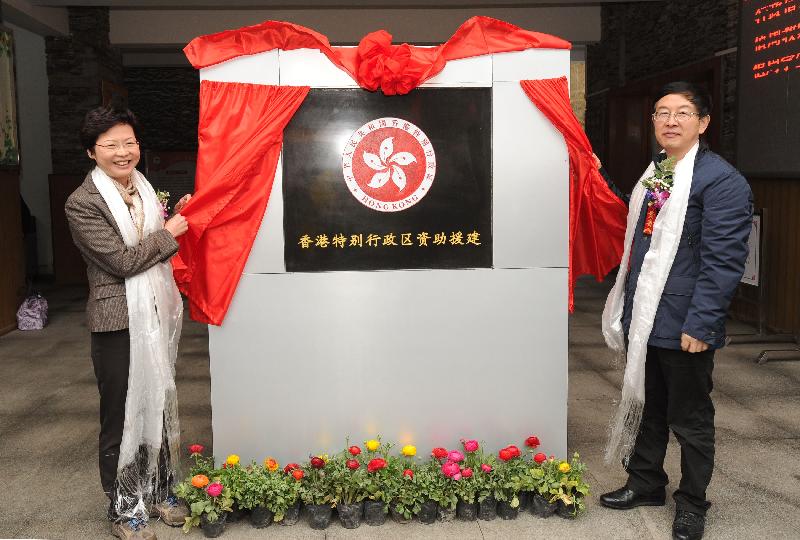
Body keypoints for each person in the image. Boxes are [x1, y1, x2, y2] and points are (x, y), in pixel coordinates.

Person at [599, 82, 752, 540]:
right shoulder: (659, 171)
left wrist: (702, 323)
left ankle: (692, 503)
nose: (670, 121)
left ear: (703, 123)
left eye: (682, 113)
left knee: (690, 419)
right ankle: (646, 483)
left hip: (685, 322)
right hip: (647, 316)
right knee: (647, 406)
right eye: (662, 112)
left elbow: (723, 261)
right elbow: (641, 235)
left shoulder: (721, 181)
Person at [66, 106, 192, 540]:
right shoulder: (83, 202)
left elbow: (148, 237)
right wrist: (169, 232)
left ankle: (157, 492)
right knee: (121, 413)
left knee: (156, 402)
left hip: (152, 312)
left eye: (129, 142)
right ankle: (124, 510)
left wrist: (172, 218)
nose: (123, 152)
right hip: (116, 321)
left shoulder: (142, 188)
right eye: (111, 145)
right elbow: (121, 262)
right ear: (91, 152)